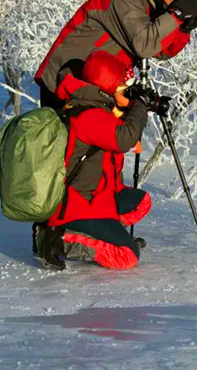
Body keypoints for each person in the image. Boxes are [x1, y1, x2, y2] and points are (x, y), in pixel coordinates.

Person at [34, 0, 197, 111]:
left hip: (91, 88)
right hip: (65, 82)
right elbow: (145, 45)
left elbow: (161, 50)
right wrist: (177, 14)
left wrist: (183, 28)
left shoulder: (150, 3)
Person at [36, 51, 158, 271]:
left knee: (141, 202)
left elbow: (122, 138)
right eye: (124, 86)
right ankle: (57, 238)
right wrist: (140, 104)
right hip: (79, 205)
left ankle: (107, 237)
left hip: (99, 198)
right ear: (108, 88)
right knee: (127, 257)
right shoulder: (89, 115)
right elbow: (125, 137)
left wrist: (138, 105)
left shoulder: (100, 110)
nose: (128, 92)